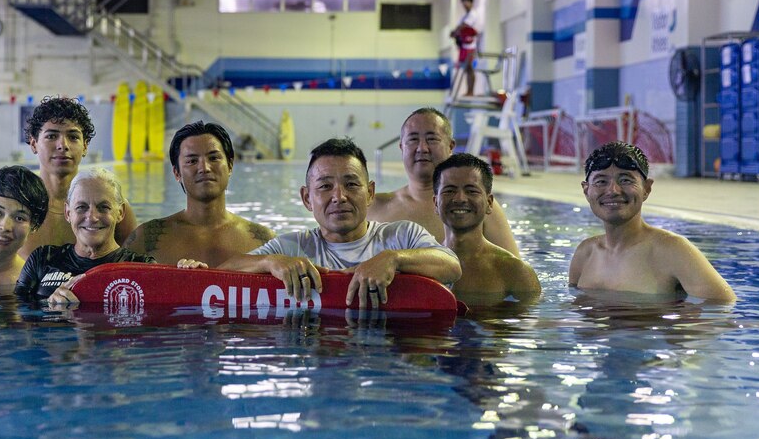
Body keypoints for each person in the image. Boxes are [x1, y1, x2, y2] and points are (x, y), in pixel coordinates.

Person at [219, 137, 461, 308]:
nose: (339, 196)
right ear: (307, 198)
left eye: (351, 184)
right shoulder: (291, 249)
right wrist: (269, 261)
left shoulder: (402, 236)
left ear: (370, 193)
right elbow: (222, 273)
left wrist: (394, 259)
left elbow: (451, 266)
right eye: (325, 186)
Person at [568, 141, 736, 302]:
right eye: (601, 182)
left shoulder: (674, 250)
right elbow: (575, 309)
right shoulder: (585, 253)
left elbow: (721, 309)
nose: (613, 190)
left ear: (647, 189)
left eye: (625, 180)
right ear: (586, 190)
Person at [369, 107, 521, 256]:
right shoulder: (374, 207)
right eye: (413, 139)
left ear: (450, 146)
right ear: (402, 147)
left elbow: (515, 269)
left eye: (432, 139)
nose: (422, 148)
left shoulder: (476, 204)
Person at [124, 121, 275, 266]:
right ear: (177, 173)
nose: (204, 168)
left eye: (213, 158)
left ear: (230, 166)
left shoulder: (262, 240)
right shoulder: (146, 240)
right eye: (192, 161)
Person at [18, 96, 136, 259]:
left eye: (73, 137)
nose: (63, 145)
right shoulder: (15, 207)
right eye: (52, 136)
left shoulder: (113, 208)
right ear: (33, 144)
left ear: (85, 145)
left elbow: (138, 271)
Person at [15, 167, 155, 305]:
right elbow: (16, 313)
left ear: (120, 213)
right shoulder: (42, 259)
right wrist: (49, 305)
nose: (92, 217)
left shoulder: (143, 268)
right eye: (81, 207)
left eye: (103, 207)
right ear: (68, 213)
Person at [433, 153, 540, 304]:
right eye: (449, 191)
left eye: (471, 191)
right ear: (435, 203)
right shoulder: (421, 267)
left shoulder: (515, 272)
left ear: (489, 203)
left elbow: (526, 325)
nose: (460, 198)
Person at [450, 0, 480, 96]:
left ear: (471, 2)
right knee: (467, 69)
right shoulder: (464, 16)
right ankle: (469, 90)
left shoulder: (473, 14)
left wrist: (455, 32)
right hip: (464, 46)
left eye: (466, 2)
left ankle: (471, 91)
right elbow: (459, 27)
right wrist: (455, 32)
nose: (465, 4)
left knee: (470, 68)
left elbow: (464, 26)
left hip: (470, 46)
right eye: (463, 2)